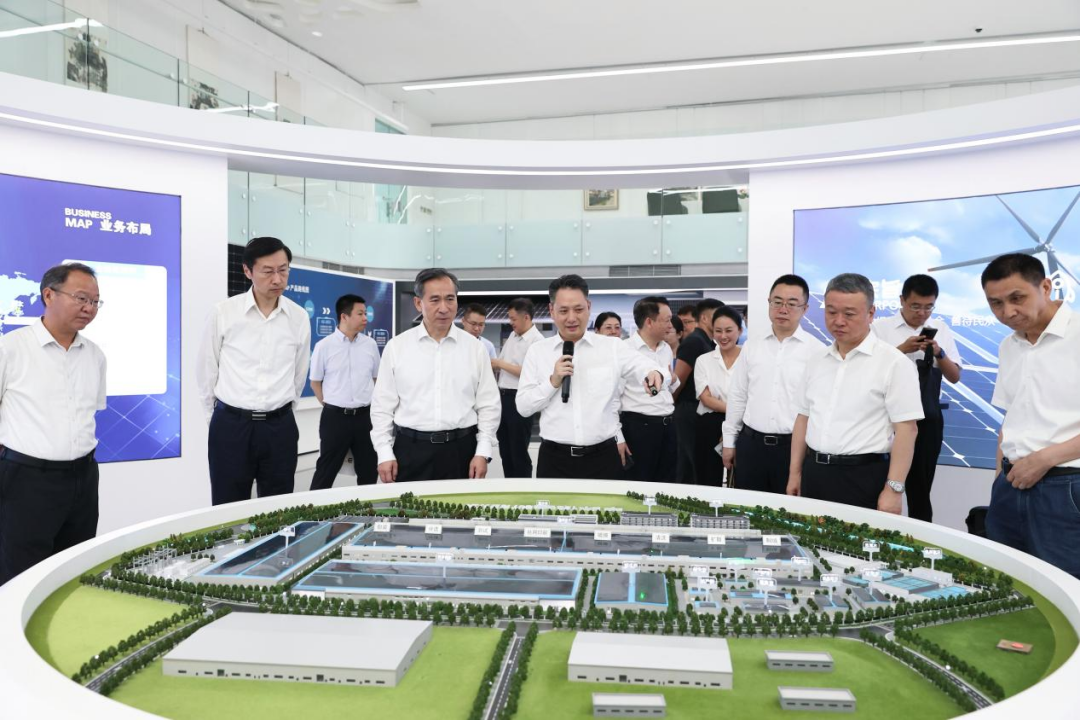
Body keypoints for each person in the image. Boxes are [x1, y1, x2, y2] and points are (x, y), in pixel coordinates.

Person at [0, 263, 106, 586]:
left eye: (95, 302)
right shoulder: (10, 348)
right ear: (48, 295)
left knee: (74, 572)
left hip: (83, 479)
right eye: (81, 298)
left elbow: (90, 412)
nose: (89, 308)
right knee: (21, 578)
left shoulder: (95, 356)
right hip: (26, 480)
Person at [787, 273, 923, 512]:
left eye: (849, 314)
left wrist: (894, 489)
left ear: (871, 313)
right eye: (831, 312)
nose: (838, 321)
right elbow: (803, 418)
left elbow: (907, 430)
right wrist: (795, 473)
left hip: (863, 477)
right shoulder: (816, 360)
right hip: (814, 473)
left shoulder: (894, 363)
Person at [981, 254, 1080, 578]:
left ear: (1046, 287)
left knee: (1065, 591)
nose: (1007, 312)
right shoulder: (1009, 346)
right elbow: (1011, 417)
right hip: (1011, 486)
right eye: (996, 303)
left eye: (1017, 298)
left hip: (1067, 488)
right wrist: (999, 477)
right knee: (1006, 586)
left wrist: (1045, 459)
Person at [516, 275, 666, 480]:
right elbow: (523, 407)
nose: (571, 318)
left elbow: (644, 366)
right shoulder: (537, 351)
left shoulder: (611, 347)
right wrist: (553, 382)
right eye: (563, 311)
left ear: (588, 306)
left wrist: (654, 373)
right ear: (551, 311)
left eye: (578, 309)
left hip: (603, 458)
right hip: (555, 460)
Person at [197, 237, 310, 505]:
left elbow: (299, 373)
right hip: (232, 425)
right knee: (228, 505)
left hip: (279, 426)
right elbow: (206, 371)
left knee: (278, 507)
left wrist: (282, 412)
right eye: (268, 271)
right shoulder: (224, 313)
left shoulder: (298, 317)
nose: (277, 279)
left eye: (283, 270)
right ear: (247, 271)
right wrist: (217, 420)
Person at [370, 269, 500, 482]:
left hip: (462, 451)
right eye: (435, 300)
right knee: (410, 505)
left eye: (450, 299)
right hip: (410, 451)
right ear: (418, 303)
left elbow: (489, 404)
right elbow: (382, 406)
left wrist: (483, 451)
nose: (444, 308)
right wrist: (384, 452)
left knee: (461, 505)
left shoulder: (475, 349)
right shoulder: (397, 347)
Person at [722, 274, 825, 495]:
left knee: (788, 511)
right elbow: (738, 395)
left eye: (792, 303)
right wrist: (729, 441)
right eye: (777, 302)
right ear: (769, 303)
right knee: (747, 509)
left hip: (792, 449)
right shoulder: (752, 346)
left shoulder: (817, 352)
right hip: (751, 445)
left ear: (805, 309)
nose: (783, 309)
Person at [871, 274, 962, 522]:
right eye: (915, 306)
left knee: (920, 493)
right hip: (884, 420)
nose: (922, 313)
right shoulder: (880, 328)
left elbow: (955, 377)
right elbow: (867, 371)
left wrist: (939, 353)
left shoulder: (941, 328)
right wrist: (901, 350)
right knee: (879, 489)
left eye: (928, 307)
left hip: (927, 420)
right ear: (902, 300)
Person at [308, 294, 381, 490]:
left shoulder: (370, 345)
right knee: (326, 469)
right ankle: (314, 507)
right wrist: (330, 404)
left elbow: (377, 378)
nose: (365, 318)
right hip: (335, 419)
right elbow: (315, 382)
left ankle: (367, 507)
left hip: (365, 417)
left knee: (368, 468)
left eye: (365, 313)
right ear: (344, 316)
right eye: (360, 313)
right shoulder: (324, 346)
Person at [617, 296, 678, 482]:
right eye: (667, 320)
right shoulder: (624, 350)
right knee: (639, 484)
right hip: (639, 428)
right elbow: (613, 399)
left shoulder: (666, 348)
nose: (671, 325)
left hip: (668, 425)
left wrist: (672, 380)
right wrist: (618, 437)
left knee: (667, 483)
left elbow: (667, 387)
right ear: (649, 322)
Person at [672, 298, 724, 482]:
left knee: (702, 466)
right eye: (716, 316)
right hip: (689, 412)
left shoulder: (708, 343)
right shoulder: (694, 342)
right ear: (704, 318)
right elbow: (677, 382)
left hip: (703, 413)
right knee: (692, 468)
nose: (721, 320)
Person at [492, 298, 544, 478]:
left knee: (518, 450)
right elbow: (502, 363)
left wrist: (500, 364)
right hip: (503, 398)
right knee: (505, 449)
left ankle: (523, 489)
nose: (511, 322)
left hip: (520, 399)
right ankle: (509, 486)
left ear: (526, 317)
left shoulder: (537, 341)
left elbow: (529, 372)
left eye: (513, 319)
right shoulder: (513, 336)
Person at [694, 306, 743, 485]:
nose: (723, 336)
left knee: (739, 478)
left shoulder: (749, 358)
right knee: (707, 478)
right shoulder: (703, 360)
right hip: (710, 424)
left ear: (740, 331)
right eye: (718, 331)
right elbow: (706, 398)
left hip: (743, 425)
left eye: (728, 330)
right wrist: (735, 410)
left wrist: (734, 420)